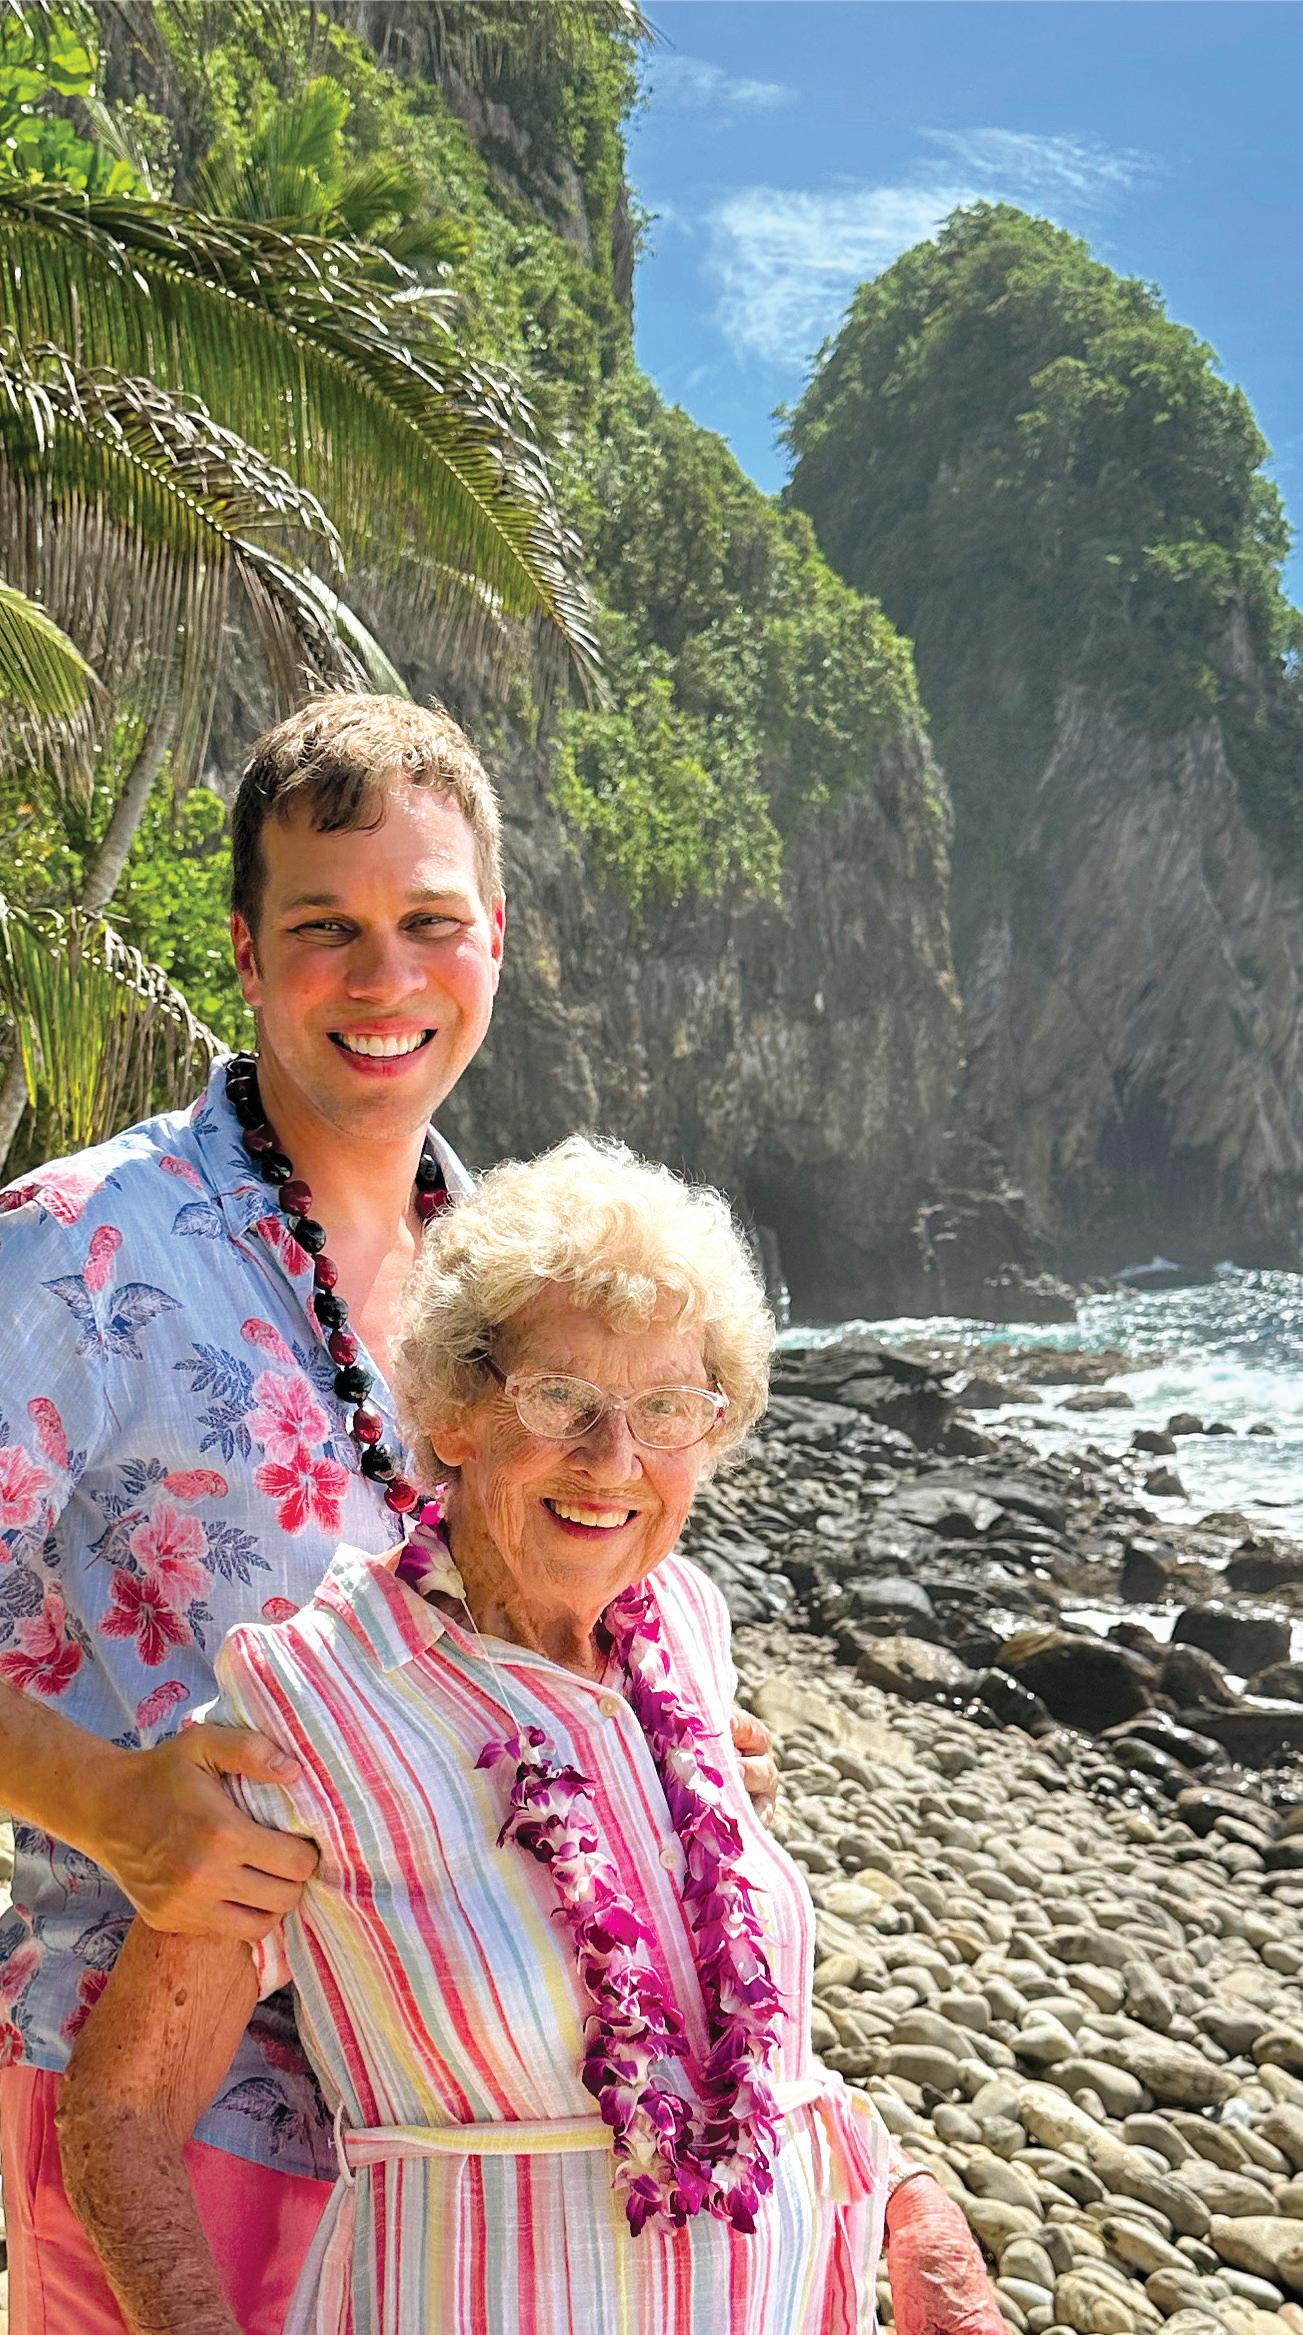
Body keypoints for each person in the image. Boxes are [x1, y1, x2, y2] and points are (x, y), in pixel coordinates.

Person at [0, 696, 777, 2331]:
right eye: (324, 927)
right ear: (243, 948)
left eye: (429, 921)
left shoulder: (514, 1268)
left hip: (482, 2152)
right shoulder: (76, 1249)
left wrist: (658, 1743)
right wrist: (106, 1800)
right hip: (178, 2124)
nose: (384, 976)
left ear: (494, 938)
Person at [56, 1137, 1003, 2335]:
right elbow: (120, 2112)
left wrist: (911, 2203)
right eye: (560, 1399)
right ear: (454, 1412)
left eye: (665, 1408)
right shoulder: (312, 1700)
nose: (614, 1459)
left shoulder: (684, 1628)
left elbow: (751, 2054)